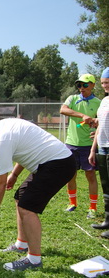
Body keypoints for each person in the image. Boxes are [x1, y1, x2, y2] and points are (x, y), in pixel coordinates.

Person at [0, 106, 76, 271]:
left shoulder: (2, 139)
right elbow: (27, 148)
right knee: (21, 197)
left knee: (27, 207)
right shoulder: (7, 124)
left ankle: (34, 260)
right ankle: (21, 244)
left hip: (58, 164)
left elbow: (0, 183)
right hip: (56, 162)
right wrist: (15, 174)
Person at [60, 74, 101, 219]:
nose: (81, 88)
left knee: (90, 175)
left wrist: (96, 125)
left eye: (85, 85)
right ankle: (72, 204)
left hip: (89, 146)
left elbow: (102, 122)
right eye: (79, 85)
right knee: (70, 175)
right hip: (71, 144)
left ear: (93, 85)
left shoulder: (99, 102)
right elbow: (63, 110)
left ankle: (93, 207)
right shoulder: (72, 99)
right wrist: (82, 116)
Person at [89, 67, 109, 231]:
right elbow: (101, 125)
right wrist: (93, 149)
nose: (105, 85)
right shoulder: (104, 101)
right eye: (103, 83)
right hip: (102, 147)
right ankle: (108, 220)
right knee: (106, 185)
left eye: (107, 82)